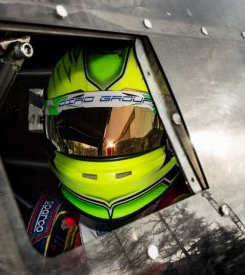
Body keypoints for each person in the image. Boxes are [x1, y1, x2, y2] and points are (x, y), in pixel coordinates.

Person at [27, 41, 189, 257]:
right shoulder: (52, 229)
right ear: (49, 128)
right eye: (82, 137)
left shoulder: (186, 208)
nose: (107, 147)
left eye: (131, 134)